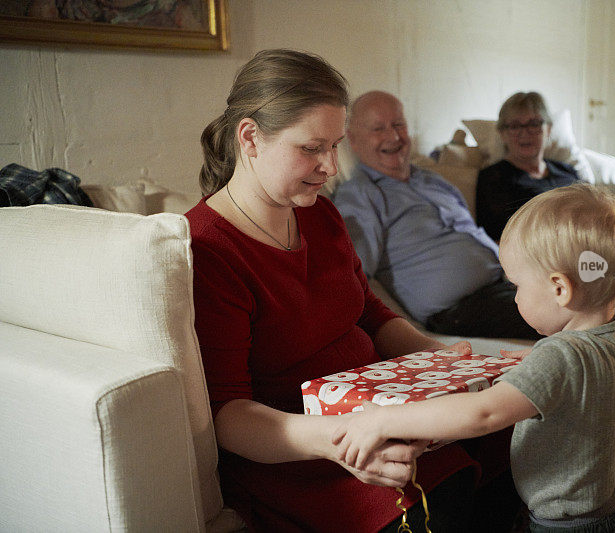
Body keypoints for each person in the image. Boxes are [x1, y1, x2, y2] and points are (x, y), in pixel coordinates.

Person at [186, 49, 519, 533]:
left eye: (336, 145)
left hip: (380, 410)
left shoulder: (319, 213)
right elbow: (229, 415)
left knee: (519, 431)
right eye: (312, 148)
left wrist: (440, 359)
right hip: (303, 449)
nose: (331, 167)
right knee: (441, 496)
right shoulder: (208, 249)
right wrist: (342, 438)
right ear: (250, 138)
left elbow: (369, 312)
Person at [333, 183, 615, 533]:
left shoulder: (560, 358)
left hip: (568, 524)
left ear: (560, 289)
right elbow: (586, 370)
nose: (515, 297)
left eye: (517, 286)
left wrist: (387, 420)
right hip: (613, 504)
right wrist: (537, 361)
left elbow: (482, 413)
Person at [333, 90, 615, 338]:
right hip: (463, 309)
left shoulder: (432, 179)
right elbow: (357, 276)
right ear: (353, 140)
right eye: (378, 129)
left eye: (399, 125)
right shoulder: (359, 196)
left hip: (514, 282)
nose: (393, 136)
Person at [477, 91, 615, 308]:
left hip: (602, 242)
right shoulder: (495, 178)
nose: (525, 133)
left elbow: (597, 213)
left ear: (548, 129)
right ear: (503, 133)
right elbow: (503, 236)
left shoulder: (566, 171)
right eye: (515, 125)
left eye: (534, 123)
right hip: (566, 255)